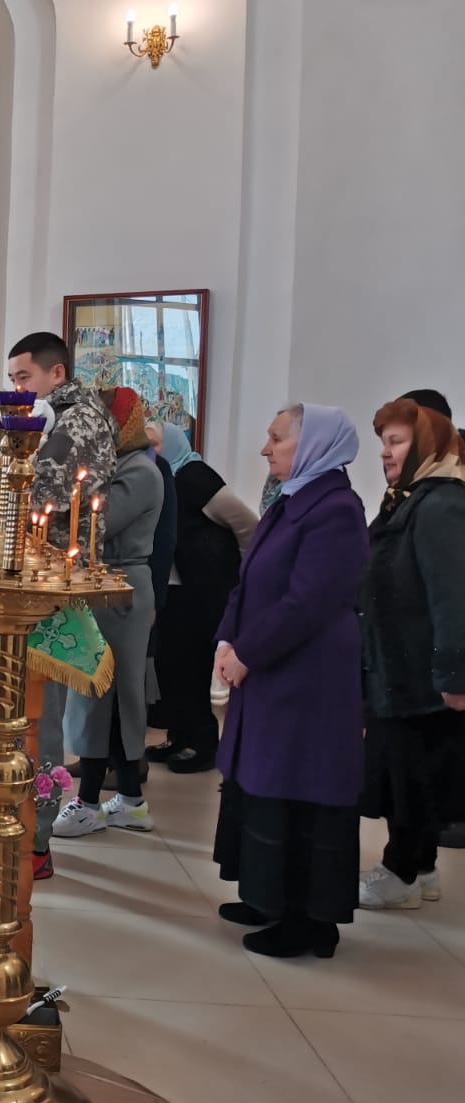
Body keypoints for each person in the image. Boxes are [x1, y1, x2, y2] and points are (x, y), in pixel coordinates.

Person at [212, 403, 367, 959]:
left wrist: (249, 652)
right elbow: (249, 580)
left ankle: (307, 920)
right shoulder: (292, 499)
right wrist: (227, 640)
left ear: (314, 444)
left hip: (307, 677)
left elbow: (309, 601)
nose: (266, 447)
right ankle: (267, 896)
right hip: (272, 668)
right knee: (263, 783)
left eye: (277, 438)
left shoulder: (337, 510)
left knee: (299, 789)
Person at [0, 333, 117, 879]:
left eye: (24, 377)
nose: (17, 389)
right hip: (31, 575)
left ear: (57, 373)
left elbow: (40, 491)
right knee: (8, 705)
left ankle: (34, 837)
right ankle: (7, 821)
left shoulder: (77, 420)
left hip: (49, 582)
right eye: (13, 379)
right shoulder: (52, 418)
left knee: (32, 712)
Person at [356, 397, 465, 909]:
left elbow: (451, 596)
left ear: (426, 444)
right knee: (409, 774)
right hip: (399, 667)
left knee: (410, 777)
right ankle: (421, 867)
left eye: (396, 442)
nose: (385, 452)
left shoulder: (441, 505)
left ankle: (399, 872)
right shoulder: (410, 498)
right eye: (383, 442)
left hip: (419, 674)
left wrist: (453, 674)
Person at [49, 389, 163, 841]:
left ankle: (90, 802)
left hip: (120, 585)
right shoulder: (118, 464)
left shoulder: (140, 471)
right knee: (100, 693)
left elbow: (96, 523)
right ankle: (131, 801)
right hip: (101, 583)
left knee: (106, 694)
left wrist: (59, 493)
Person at [144, 422, 257, 774]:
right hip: (174, 589)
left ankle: (203, 743)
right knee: (172, 666)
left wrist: (244, 568)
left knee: (191, 665)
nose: (150, 452)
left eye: (155, 445)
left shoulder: (194, 476)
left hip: (200, 590)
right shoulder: (161, 479)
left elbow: (246, 522)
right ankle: (179, 737)